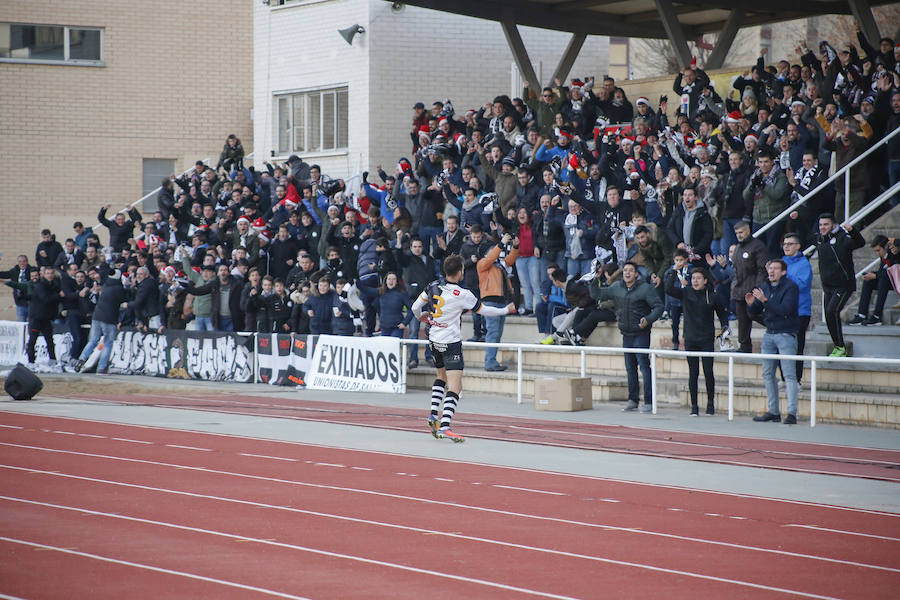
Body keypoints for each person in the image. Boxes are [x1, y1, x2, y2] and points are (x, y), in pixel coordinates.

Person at [411, 254, 516, 442]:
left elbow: (415, 307)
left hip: (434, 340)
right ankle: (444, 426)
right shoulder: (462, 294)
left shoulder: (432, 286)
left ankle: (433, 414)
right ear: (460, 272)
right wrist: (505, 310)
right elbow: (483, 310)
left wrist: (422, 316)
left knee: (440, 377)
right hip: (451, 343)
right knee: (455, 387)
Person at [590, 262, 664, 413]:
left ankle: (649, 402)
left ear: (636, 274)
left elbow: (659, 307)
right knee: (630, 369)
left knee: (644, 367)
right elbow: (597, 294)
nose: (627, 273)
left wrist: (648, 319)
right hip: (626, 334)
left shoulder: (645, 289)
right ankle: (633, 400)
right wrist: (594, 280)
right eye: (625, 270)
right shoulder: (616, 287)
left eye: (631, 270)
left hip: (641, 334)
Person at [665, 267, 729, 416]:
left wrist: (725, 337)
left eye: (699, 278)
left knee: (708, 372)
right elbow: (668, 288)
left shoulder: (713, 296)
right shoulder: (686, 292)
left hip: (706, 339)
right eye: (693, 278)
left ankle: (710, 405)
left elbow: (723, 317)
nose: (695, 281)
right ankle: (694, 406)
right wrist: (674, 270)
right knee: (693, 373)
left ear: (705, 280)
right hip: (691, 338)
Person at [748, 259, 801, 425]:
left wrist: (764, 301)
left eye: (776, 269)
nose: (771, 271)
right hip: (769, 333)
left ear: (783, 271)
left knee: (789, 375)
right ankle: (774, 411)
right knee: (767, 374)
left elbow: (785, 310)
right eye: (770, 268)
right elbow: (757, 310)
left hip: (786, 334)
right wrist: (751, 305)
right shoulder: (765, 285)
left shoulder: (791, 287)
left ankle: (792, 413)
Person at [814, 214, 865, 357]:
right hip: (828, 286)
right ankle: (838, 346)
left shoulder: (843, 238)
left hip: (843, 285)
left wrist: (852, 230)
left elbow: (860, 242)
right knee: (829, 316)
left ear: (834, 225)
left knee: (832, 312)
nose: (823, 227)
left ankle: (840, 347)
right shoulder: (820, 239)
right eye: (821, 225)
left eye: (826, 224)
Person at [477, 232, 519, 371]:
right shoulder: (482, 263)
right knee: (493, 333)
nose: (496, 252)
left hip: (501, 302)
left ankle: (492, 361)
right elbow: (491, 257)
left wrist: (515, 246)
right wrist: (501, 244)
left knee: (497, 333)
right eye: (492, 250)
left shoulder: (499, 265)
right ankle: (490, 362)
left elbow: (511, 259)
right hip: (490, 302)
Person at [73, 269, 127, 374]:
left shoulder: (106, 285)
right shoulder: (119, 288)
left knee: (93, 340)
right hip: (109, 318)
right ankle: (101, 368)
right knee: (108, 343)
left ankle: (81, 359)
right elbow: (124, 301)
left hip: (97, 316)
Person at [730, 221, 768, 352]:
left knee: (752, 314)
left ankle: (778, 325)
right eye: (736, 233)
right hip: (739, 289)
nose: (739, 235)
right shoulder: (738, 248)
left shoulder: (757, 246)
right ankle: (744, 346)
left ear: (748, 231)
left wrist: (757, 288)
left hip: (752, 289)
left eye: (741, 232)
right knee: (742, 319)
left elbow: (762, 269)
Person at [781, 234, 813, 384]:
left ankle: (797, 380)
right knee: (782, 346)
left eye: (790, 244)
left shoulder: (804, 263)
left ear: (798, 246)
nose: (786, 246)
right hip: (783, 310)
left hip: (801, 311)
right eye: (785, 244)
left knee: (797, 346)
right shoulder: (781, 262)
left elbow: (802, 285)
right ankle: (783, 378)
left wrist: (785, 275)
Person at [848, 235, 897, 326]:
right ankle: (862, 314)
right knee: (868, 280)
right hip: (889, 280)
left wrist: (876, 275)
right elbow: (882, 270)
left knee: (883, 279)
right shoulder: (883, 255)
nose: (877, 253)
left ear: (886, 246)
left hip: (896, 281)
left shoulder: (895, 253)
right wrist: (872, 275)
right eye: (875, 251)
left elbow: (894, 271)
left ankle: (877, 316)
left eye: (878, 250)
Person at [24, 266, 62, 367]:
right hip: (36, 317)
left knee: (50, 340)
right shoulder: (40, 286)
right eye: (48, 273)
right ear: (43, 274)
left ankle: (53, 360)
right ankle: (31, 362)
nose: (50, 275)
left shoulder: (54, 285)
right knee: (33, 340)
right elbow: (45, 298)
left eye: (51, 273)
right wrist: (59, 296)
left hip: (46, 318)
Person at [0, 255, 36, 321]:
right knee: (21, 323)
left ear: (27, 262)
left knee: (32, 323)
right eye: (20, 262)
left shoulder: (32, 271)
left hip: (31, 302)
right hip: (20, 302)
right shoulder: (14, 271)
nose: (22, 263)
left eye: (24, 261)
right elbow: (3, 274)